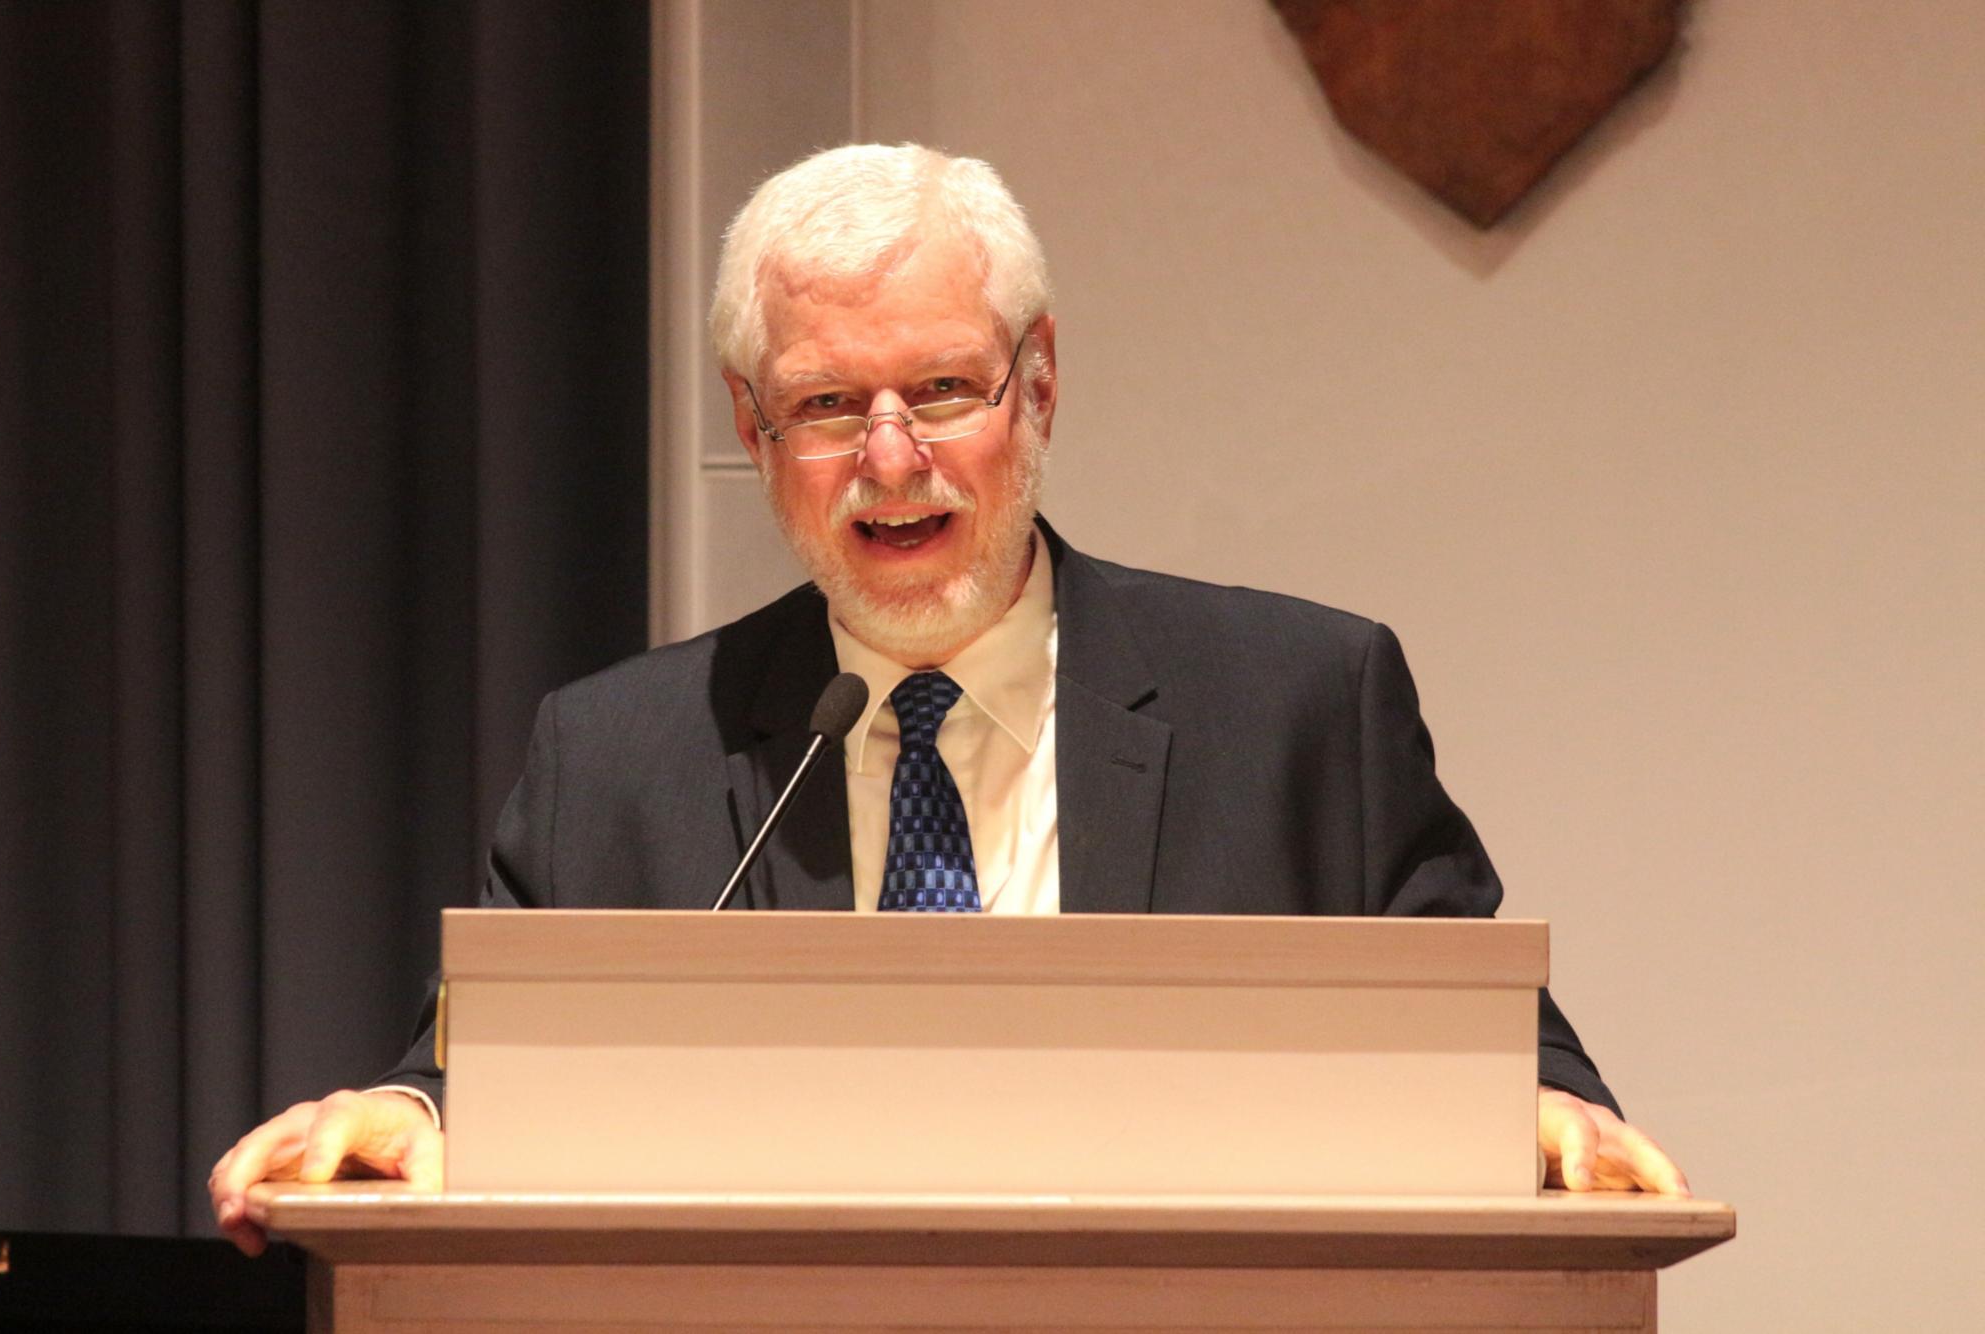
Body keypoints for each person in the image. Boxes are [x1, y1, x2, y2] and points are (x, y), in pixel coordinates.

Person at [209, 143, 1687, 1257]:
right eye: (829, 405)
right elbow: (479, 1074)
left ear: (1038, 388)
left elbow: (1513, 1053)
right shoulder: (619, 755)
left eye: (944, 389)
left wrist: (1539, 1118)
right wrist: (407, 1116)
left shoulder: (1303, 705)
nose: (893, 457)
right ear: (752, 426)